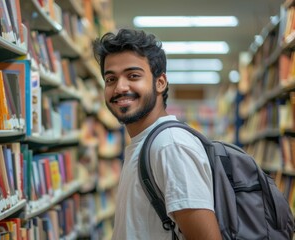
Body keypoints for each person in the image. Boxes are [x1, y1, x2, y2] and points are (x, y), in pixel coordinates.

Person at [92, 28, 222, 240]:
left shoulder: (170, 146)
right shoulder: (144, 143)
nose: (120, 87)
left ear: (160, 82)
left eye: (133, 75)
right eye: (111, 79)